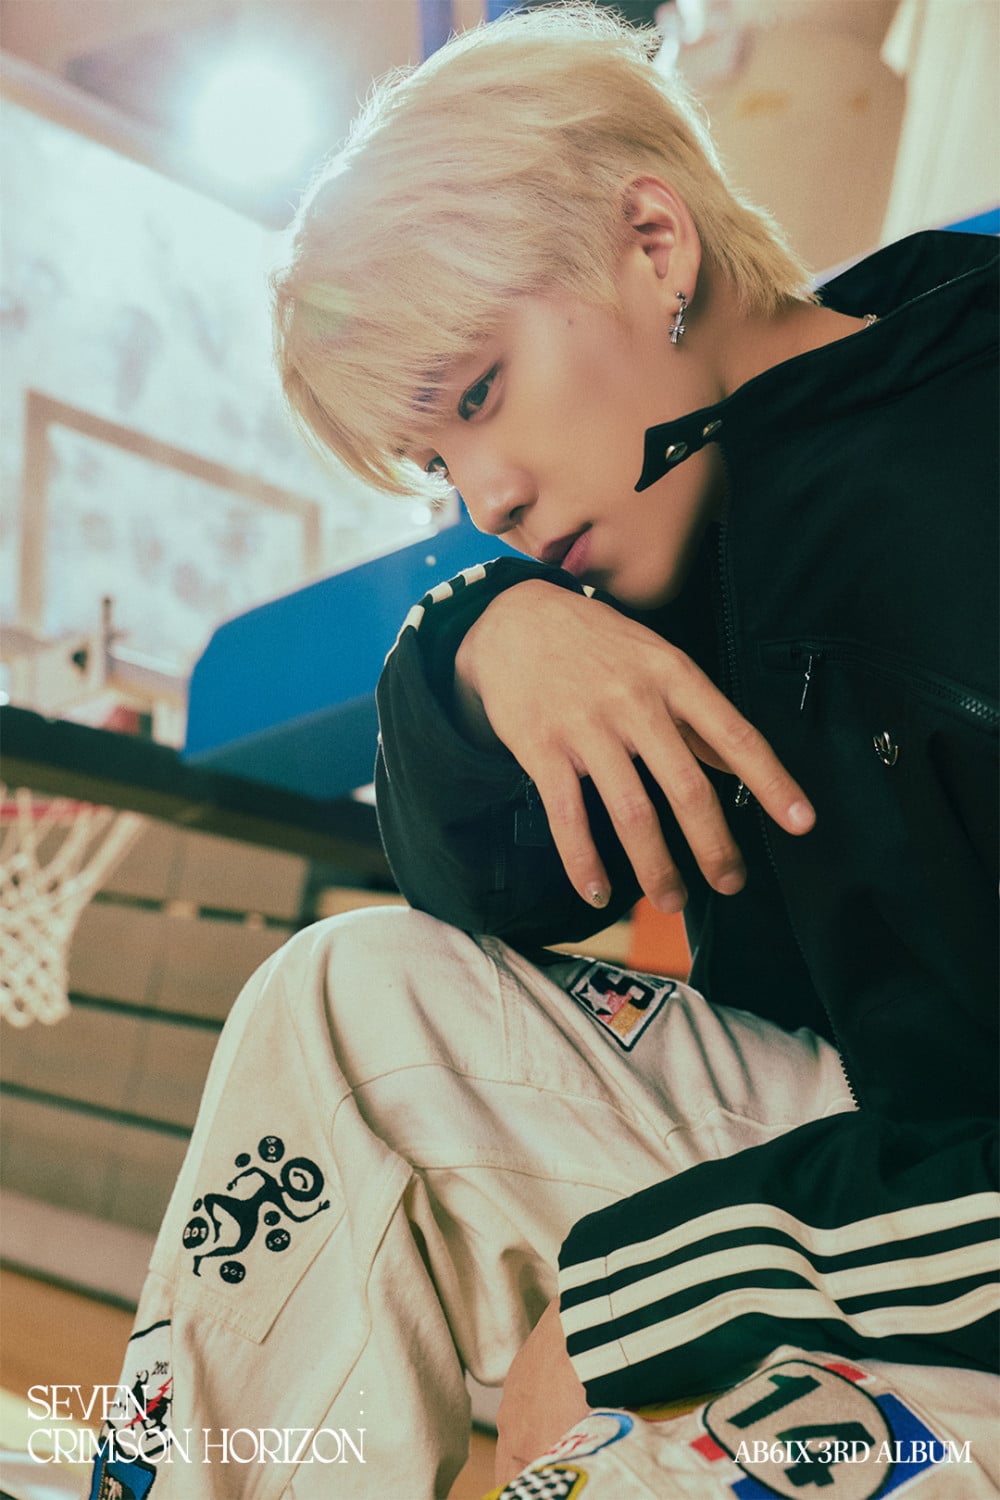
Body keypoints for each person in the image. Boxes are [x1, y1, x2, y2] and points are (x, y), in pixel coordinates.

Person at [94, 7, 998, 1498]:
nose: (486, 500)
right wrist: (479, 645)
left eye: (480, 394)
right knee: (348, 996)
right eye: (437, 464)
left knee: (618, 1476)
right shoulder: (689, 531)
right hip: (865, 1173)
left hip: (944, 1247)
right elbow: (473, 878)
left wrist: (651, 1291)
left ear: (654, 242)